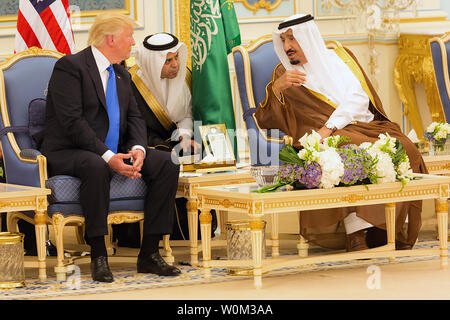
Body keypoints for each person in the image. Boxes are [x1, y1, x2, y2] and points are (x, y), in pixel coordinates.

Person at [255, 14, 428, 252]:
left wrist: (331, 126)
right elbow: (266, 119)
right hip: (318, 135)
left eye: (292, 39)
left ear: (307, 37)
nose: (287, 47)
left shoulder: (338, 59)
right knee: (347, 149)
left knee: (403, 146)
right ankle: (355, 234)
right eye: (283, 40)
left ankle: (387, 228)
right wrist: (277, 88)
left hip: (356, 125)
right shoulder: (282, 75)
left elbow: (358, 98)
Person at [39, 13, 181, 282]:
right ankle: (99, 255)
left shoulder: (121, 72)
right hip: (69, 150)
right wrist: (107, 156)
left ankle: (150, 253)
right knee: (95, 165)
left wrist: (138, 149)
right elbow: (73, 123)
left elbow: (134, 117)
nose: (133, 41)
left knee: (166, 162)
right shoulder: (70, 67)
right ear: (111, 38)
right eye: (129, 35)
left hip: (114, 148)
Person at [125, 33, 216, 242]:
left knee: (202, 151)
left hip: (176, 136)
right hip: (144, 142)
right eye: (168, 61)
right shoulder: (132, 82)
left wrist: (184, 136)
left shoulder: (184, 75)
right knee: (166, 156)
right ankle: (163, 232)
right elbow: (132, 125)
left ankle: (202, 228)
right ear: (153, 62)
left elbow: (186, 114)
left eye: (176, 58)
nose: (175, 65)